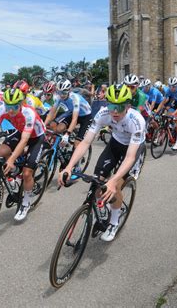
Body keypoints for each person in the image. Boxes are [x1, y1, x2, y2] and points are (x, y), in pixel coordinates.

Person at [58, 84, 145, 242]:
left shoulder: (136, 121)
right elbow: (85, 143)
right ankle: (104, 206)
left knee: (115, 186)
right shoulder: (103, 113)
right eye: (112, 105)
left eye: (120, 107)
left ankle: (114, 222)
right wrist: (69, 167)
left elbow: (130, 157)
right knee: (98, 183)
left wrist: (113, 181)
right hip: (115, 144)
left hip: (132, 149)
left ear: (128, 106)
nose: (115, 111)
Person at [0, 84, 46, 221]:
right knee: (1, 151)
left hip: (36, 137)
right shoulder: (2, 109)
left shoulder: (29, 113)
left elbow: (25, 140)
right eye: (8, 106)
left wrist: (11, 159)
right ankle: (15, 171)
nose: (10, 111)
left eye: (14, 107)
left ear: (21, 104)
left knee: (27, 173)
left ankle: (26, 202)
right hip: (21, 131)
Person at [44, 79, 92, 149]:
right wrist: (44, 125)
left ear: (69, 91)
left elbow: (74, 119)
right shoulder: (58, 97)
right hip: (73, 112)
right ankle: (63, 145)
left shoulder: (75, 98)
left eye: (64, 93)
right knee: (58, 129)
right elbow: (51, 113)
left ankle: (76, 158)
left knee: (76, 144)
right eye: (59, 92)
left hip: (86, 117)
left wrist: (67, 134)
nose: (62, 95)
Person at [155, 77, 177, 150]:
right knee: (168, 115)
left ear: (176, 85)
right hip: (176, 102)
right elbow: (163, 101)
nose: (172, 88)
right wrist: (157, 110)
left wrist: (174, 114)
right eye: (170, 86)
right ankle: (173, 129)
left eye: (173, 86)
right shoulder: (168, 90)